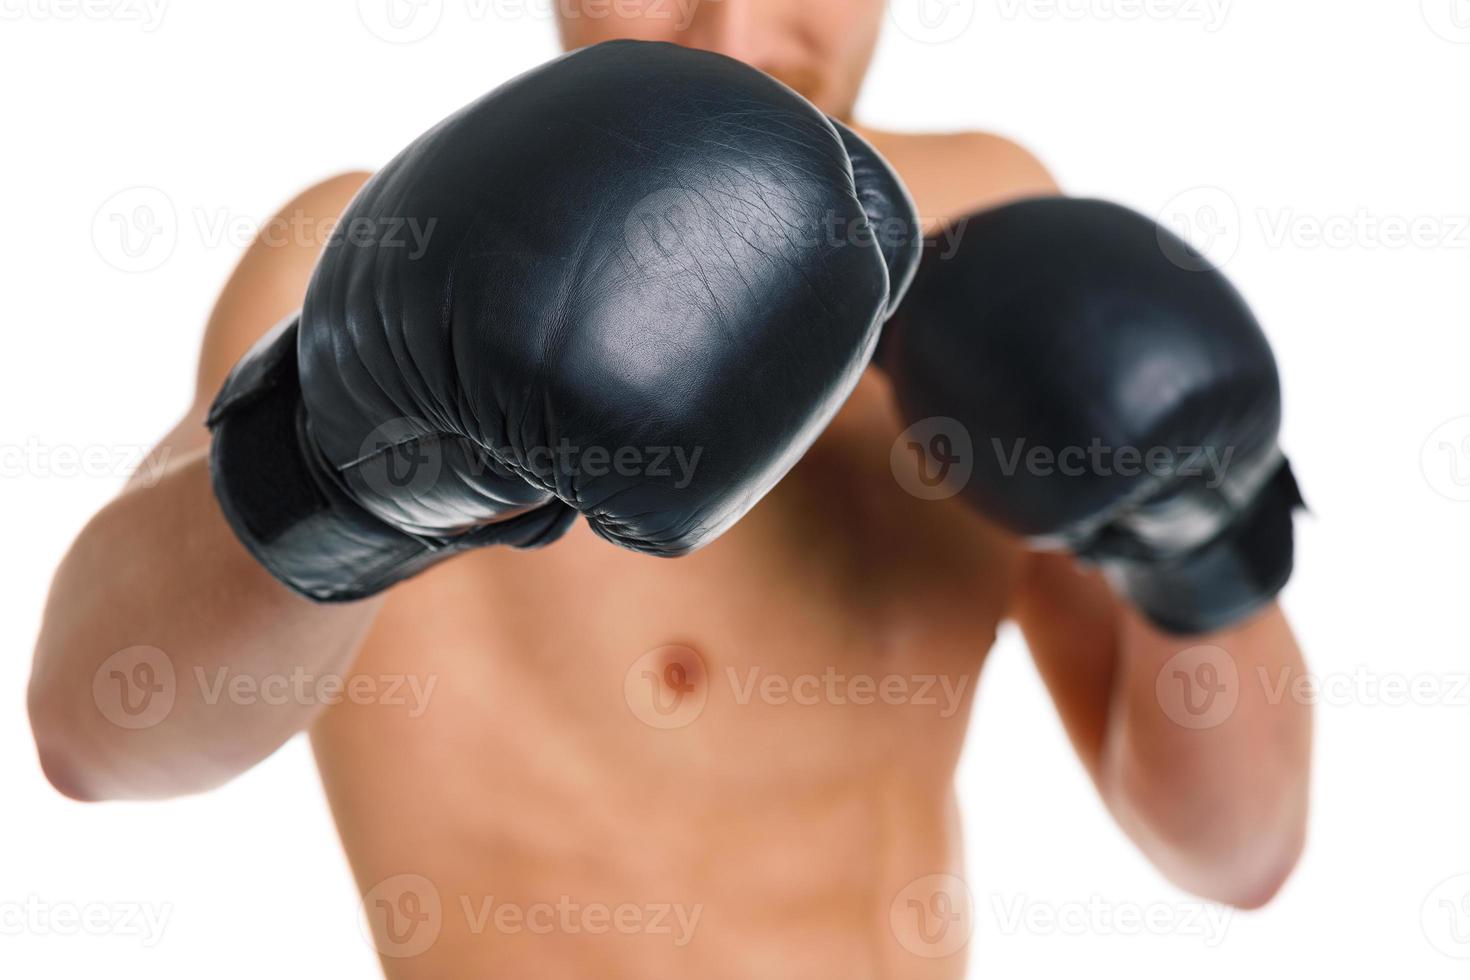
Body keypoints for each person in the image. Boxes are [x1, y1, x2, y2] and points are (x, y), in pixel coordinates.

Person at [28, 3, 1312, 977]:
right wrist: (342, 458)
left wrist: (1197, 542)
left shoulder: (981, 223)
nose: (736, 27)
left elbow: (1241, 851)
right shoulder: (376, 254)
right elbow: (90, 734)